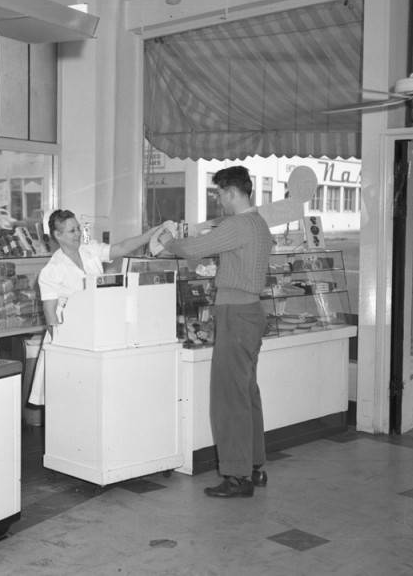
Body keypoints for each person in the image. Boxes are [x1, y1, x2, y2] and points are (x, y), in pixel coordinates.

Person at [157, 166, 273, 498]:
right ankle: (253, 464)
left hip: (236, 314)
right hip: (250, 312)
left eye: (219, 193)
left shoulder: (238, 224)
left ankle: (237, 477)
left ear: (232, 192)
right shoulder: (258, 223)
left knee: (228, 397)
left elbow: (194, 249)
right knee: (246, 392)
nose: (218, 199)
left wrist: (168, 240)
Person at [28, 210, 164, 404]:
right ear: (57, 235)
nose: (77, 234)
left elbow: (121, 248)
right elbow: (51, 317)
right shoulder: (52, 270)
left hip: (96, 329)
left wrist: (149, 235)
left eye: (77, 229)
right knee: (68, 397)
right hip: (68, 337)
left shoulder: (89, 249)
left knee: (95, 395)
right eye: (71, 231)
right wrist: (65, 350)